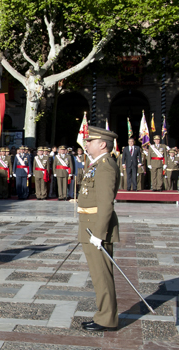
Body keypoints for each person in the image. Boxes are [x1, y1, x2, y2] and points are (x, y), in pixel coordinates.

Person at [78, 126, 120, 332]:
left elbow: (105, 204)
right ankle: (105, 315)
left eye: (90, 141)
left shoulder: (105, 166)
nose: (86, 144)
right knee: (98, 275)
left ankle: (106, 318)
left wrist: (98, 234)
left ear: (102, 144)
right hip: (90, 226)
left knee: (101, 275)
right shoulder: (97, 164)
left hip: (96, 229)